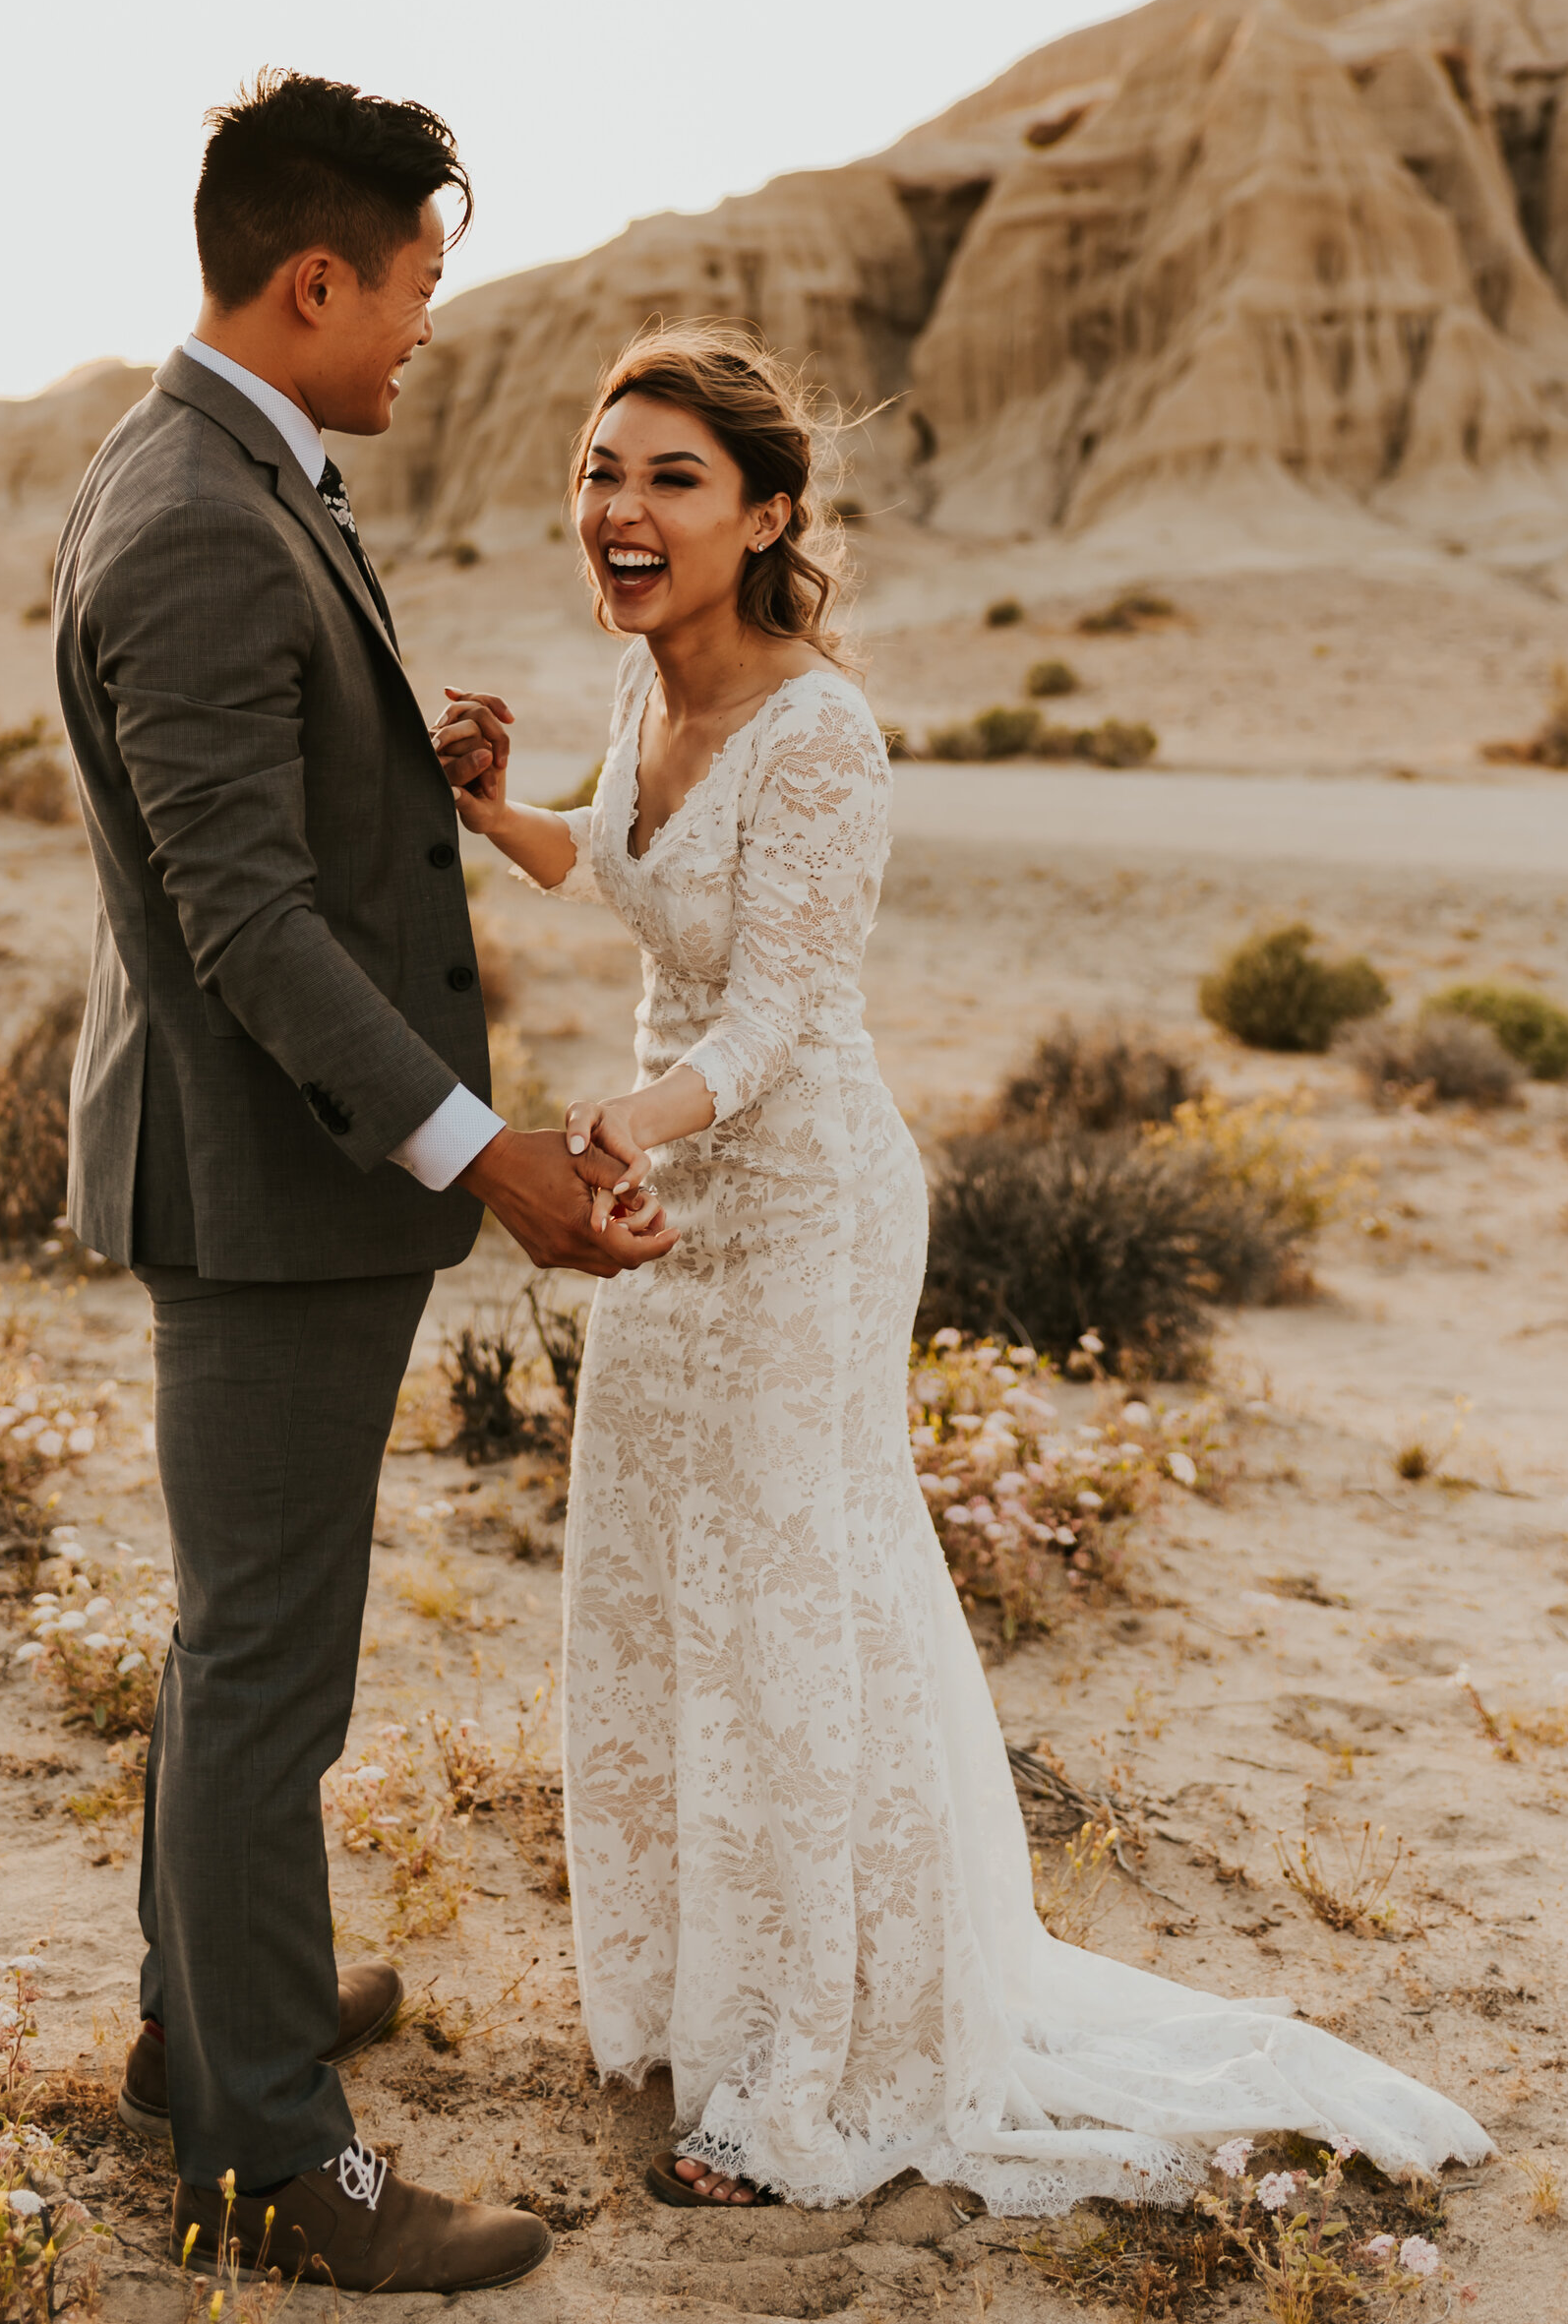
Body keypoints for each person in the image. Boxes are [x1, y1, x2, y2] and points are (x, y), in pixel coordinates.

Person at [434, 325, 1490, 2217]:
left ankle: (798, 2073)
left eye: (673, 478)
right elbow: (622, 857)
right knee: (674, 1582)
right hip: (676, 1201)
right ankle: (720, 2000)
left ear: (768, 515)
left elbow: (778, 1013)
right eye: (604, 469)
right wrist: (501, 807)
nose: (622, 509)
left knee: (790, 1599)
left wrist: (622, 1126)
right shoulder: (640, 674)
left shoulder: (824, 730)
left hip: (801, 1200)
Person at [55, 70, 673, 2297]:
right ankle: (272, 2160)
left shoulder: (210, 466)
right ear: (311, 276)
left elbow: (240, 816)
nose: (426, 330)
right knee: (265, 1669)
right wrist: (482, 1150)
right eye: (414, 287)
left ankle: (200, 2026)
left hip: (266, 1172)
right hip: (272, 1185)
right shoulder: (204, 515)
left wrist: (396, 783)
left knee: (237, 1646)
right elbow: (234, 915)